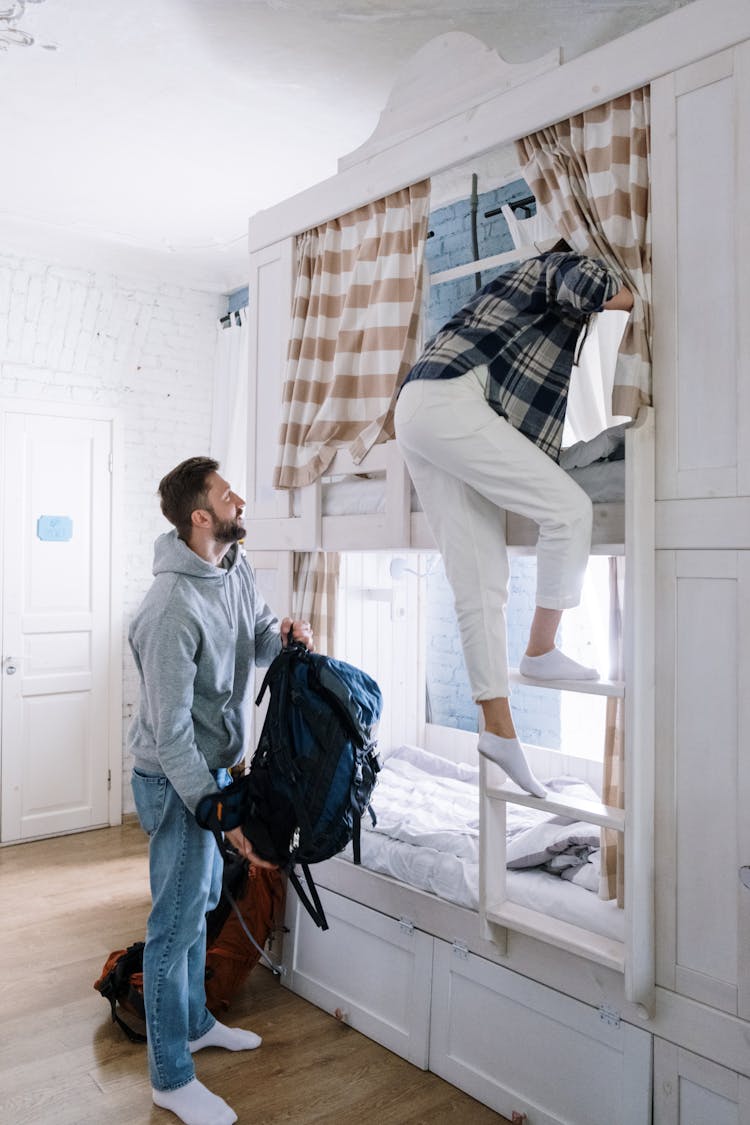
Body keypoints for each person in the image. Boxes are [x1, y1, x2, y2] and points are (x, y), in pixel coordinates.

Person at [394, 250, 633, 798]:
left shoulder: (517, 305)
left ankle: (498, 729)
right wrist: (649, 296)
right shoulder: (559, 265)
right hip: (446, 402)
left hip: (422, 408)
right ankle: (541, 650)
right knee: (568, 510)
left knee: (478, 581)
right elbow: (592, 283)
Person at [128, 456, 313, 1125]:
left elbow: (258, 640)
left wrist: (284, 637)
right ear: (200, 516)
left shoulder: (233, 567)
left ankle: (198, 1022)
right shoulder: (169, 610)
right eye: (225, 491)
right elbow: (171, 734)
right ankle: (170, 1076)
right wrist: (219, 810)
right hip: (175, 781)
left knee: (203, 901)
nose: (241, 496)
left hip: (215, 771)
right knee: (173, 928)